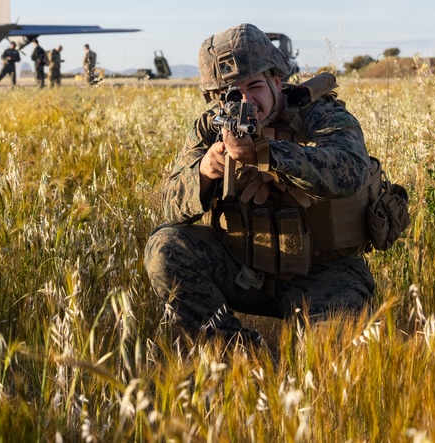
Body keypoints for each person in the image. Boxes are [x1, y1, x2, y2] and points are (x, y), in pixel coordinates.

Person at [144, 23, 378, 342]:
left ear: (276, 81)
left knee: (326, 364)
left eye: (254, 86)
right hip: (243, 269)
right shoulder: (210, 128)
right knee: (165, 247)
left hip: (322, 272)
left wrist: (268, 155)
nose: (246, 101)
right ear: (215, 98)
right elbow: (168, 206)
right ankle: (235, 356)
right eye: (231, 93)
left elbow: (349, 170)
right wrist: (205, 172)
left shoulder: (321, 115)